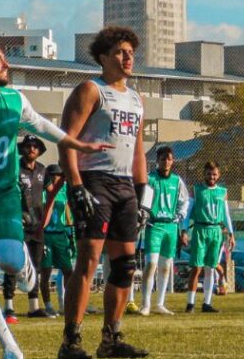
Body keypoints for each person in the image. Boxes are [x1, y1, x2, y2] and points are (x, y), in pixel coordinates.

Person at [0, 36, 106, 359]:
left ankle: (25, 266)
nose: (6, 64)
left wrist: (76, 144)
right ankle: (11, 348)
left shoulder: (14, 100)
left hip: (1, 194)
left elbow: (40, 125)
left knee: (9, 259)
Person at [57, 26, 149, 359]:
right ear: (103, 57)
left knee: (125, 265)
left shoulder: (136, 99)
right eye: (120, 52)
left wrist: (143, 195)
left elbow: (138, 151)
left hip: (125, 185)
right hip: (94, 180)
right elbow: (66, 140)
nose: (128, 58)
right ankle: (71, 341)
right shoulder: (91, 90)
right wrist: (76, 185)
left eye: (131, 53)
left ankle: (111, 338)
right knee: (89, 260)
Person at [3, 135, 49, 321]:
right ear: (22, 149)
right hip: (18, 223)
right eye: (28, 146)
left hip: (37, 225)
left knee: (36, 265)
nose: (32, 149)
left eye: (35, 146)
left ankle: (34, 306)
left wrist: (45, 219)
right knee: (13, 264)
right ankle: (8, 306)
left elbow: (51, 193)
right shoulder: (15, 168)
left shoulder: (42, 170)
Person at [139, 146, 188, 316]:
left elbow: (184, 201)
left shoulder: (177, 181)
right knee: (151, 264)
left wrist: (180, 215)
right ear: (157, 161)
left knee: (166, 266)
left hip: (171, 227)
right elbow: (144, 201)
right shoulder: (150, 179)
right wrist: (144, 215)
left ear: (173, 161)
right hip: (154, 226)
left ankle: (160, 303)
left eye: (169, 159)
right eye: (162, 159)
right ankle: (145, 304)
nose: (166, 162)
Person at [183, 161, 235, 315]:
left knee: (210, 268)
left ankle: (207, 303)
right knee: (196, 267)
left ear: (218, 175)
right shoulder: (196, 190)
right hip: (200, 230)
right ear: (204, 174)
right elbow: (188, 212)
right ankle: (190, 303)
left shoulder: (222, 192)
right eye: (209, 174)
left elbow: (226, 214)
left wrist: (231, 233)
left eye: (214, 174)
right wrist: (184, 230)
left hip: (216, 231)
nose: (211, 177)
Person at [41, 164, 76, 318]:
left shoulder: (64, 191)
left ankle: (68, 303)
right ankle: (48, 305)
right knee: (46, 271)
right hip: (46, 235)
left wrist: (70, 234)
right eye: (55, 175)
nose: (58, 178)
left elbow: (68, 216)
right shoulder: (43, 192)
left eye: (60, 175)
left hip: (60, 235)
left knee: (68, 270)